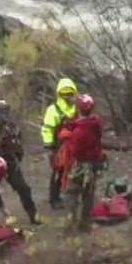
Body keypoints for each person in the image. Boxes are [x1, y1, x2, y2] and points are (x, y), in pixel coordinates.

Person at [0, 100, 39, 225]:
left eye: (6, 112)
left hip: (10, 163)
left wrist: (17, 159)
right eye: (2, 112)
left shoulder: (13, 129)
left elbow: (19, 146)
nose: (5, 115)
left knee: (23, 188)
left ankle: (33, 215)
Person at [54, 93, 112, 228]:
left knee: (71, 192)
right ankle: (86, 223)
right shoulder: (95, 121)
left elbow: (75, 150)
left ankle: (70, 221)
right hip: (94, 163)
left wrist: (66, 137)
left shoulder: (80, 133)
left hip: (82, 165)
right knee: (88, 194)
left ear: (79, 109)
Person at [39, 78, 80, 209]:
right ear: (59, 94)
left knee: (75, 171)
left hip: (74, 146)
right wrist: (49, 144)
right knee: (58, 171)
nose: (68, 96)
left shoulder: (77, 109)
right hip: (58, 147)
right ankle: (54, 198)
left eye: (70, 94)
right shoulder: (53, 109)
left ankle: (71, 194)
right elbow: (47, 128)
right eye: (65, 94)